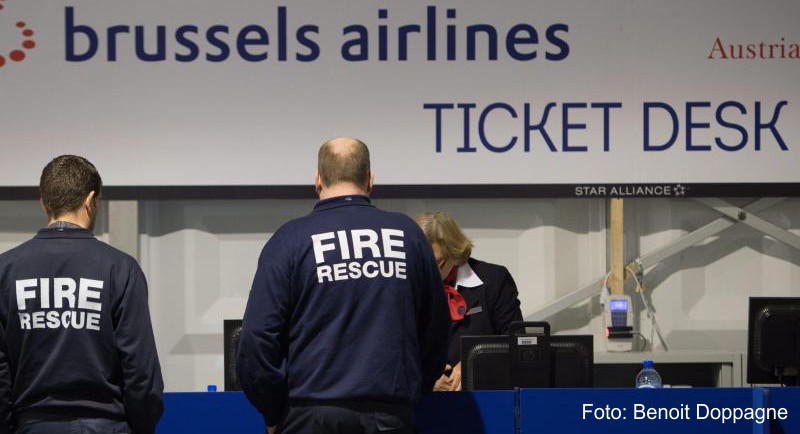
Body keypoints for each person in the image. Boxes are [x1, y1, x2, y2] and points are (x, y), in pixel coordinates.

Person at [237, 137, 449, 434]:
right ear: (370, 179)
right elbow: (437, 330)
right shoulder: (408, 235)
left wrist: (274, 411)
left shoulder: (290, 240)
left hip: (311, 416)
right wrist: (415, 389)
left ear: (318, 179)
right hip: (389, 417)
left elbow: (256, 340)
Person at [0, 155, 164, 434]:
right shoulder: (121, 269)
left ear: (44, 202)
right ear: (91, 201)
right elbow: (140, 372)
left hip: (32, 426)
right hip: (106, 426)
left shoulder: (6, 270)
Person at [414, 212, 523, 392]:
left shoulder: (494, 280)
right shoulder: (401, 285)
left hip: (482, 396)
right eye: (420, 263)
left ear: (454, 252)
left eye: (436, 264)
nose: (427, 272)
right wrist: (423, 378)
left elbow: (516, 342)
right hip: (421, 403)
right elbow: (390, 346)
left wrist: (475, 363)